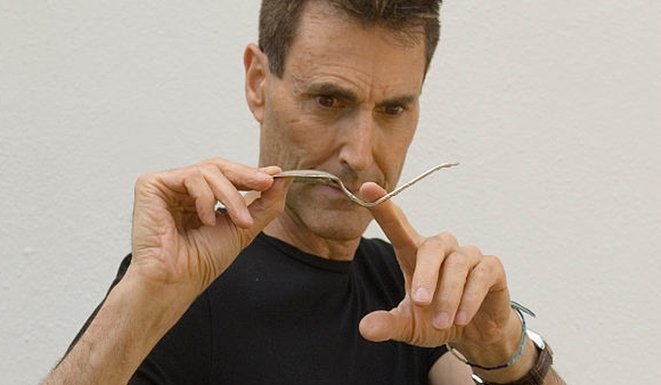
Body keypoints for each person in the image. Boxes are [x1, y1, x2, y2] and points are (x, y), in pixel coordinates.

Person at [43, 1, 565, 384]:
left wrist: (503, 348)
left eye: (393, 110)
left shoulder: (399, 285)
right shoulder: (187, 283)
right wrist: (143, 299)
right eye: (329, 100)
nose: (360, 153)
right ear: (257, 83)